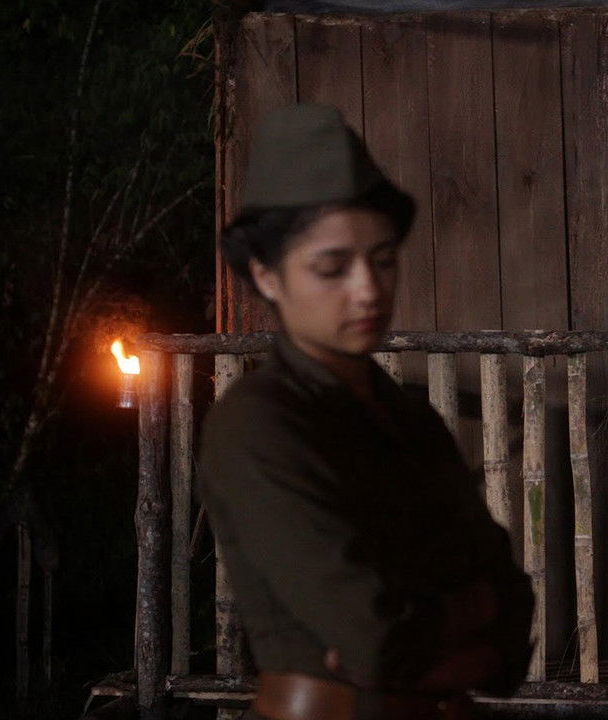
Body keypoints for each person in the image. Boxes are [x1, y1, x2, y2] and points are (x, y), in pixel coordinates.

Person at [197, 104, 533, 720]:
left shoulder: (411, 418)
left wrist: (449, 626)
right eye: (332, 268)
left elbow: (512, 609)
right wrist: (469, 607)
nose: (368, 291)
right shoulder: (256, 424)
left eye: (383, 260)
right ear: (266, 275)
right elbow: (374, 636)